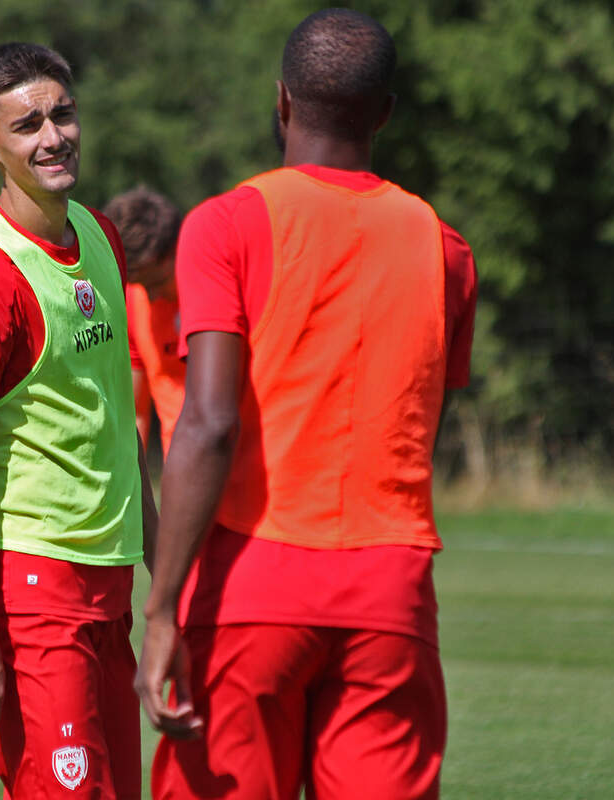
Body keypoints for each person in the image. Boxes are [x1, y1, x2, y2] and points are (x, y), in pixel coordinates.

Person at [135, 9, 477, 800]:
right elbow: (422, 427)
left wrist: (160, 613)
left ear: (281, 101)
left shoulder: (226, 224)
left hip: (250, 583)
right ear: (386, 112)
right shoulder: (445, 248)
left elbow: (209, 422)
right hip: (389, 591)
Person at [0, 42, 156, 799]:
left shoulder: (100, 235)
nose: (52, 136)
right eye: (26, 126)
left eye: (62, 114)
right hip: (26, 590)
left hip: (104, 579)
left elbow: (118, 422)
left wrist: (168, 579)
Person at [104, 187, 185, 457]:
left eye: (159, 282)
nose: (150, 297)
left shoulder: (220, 290)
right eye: (140, 284)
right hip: (181, 470)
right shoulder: (132, 303)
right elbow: (135, 416)